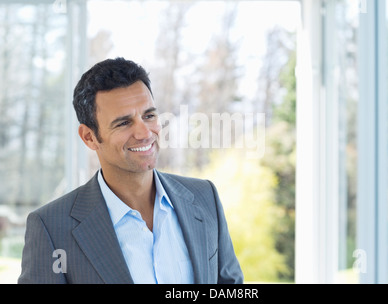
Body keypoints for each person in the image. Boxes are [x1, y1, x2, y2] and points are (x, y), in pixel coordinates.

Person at [18, 57, 243, 284]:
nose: (144, 133)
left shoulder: (205, 197)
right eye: (123, 123)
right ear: (89, 137)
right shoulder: (51, 228)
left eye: (149, 116)